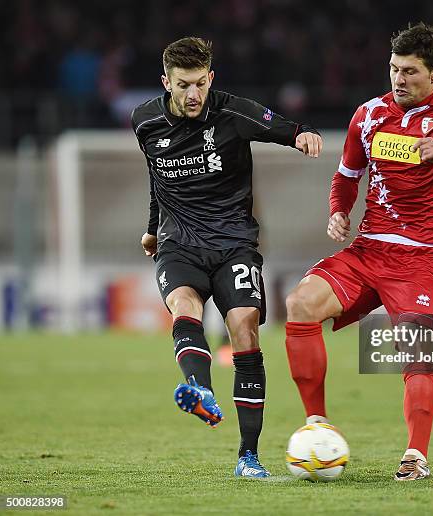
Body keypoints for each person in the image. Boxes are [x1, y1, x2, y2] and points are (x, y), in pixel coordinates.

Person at [284, 23, 433, 481]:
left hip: (423, 258)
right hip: (369, 249)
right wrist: (338, 212)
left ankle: (415, 455)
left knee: (416, 352)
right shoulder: (368, 115)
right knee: (300, 304)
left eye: (410, 72)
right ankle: (317, 426)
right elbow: (346, 175)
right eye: (394, 70)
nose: (398, 79)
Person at [131, 37, 322, 478]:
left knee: (244, 329)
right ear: (167, 83)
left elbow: (287, 128)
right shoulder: (145, 121)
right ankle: (201, 392)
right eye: (183, 85)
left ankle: (248, 456)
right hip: (179, 242)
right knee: (184, 304)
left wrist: (305, 135)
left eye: (200, 83)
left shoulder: (234, 113)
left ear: (210, 78)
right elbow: (156, 178)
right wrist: (151, 225)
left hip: (235, 244)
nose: (193, 94)